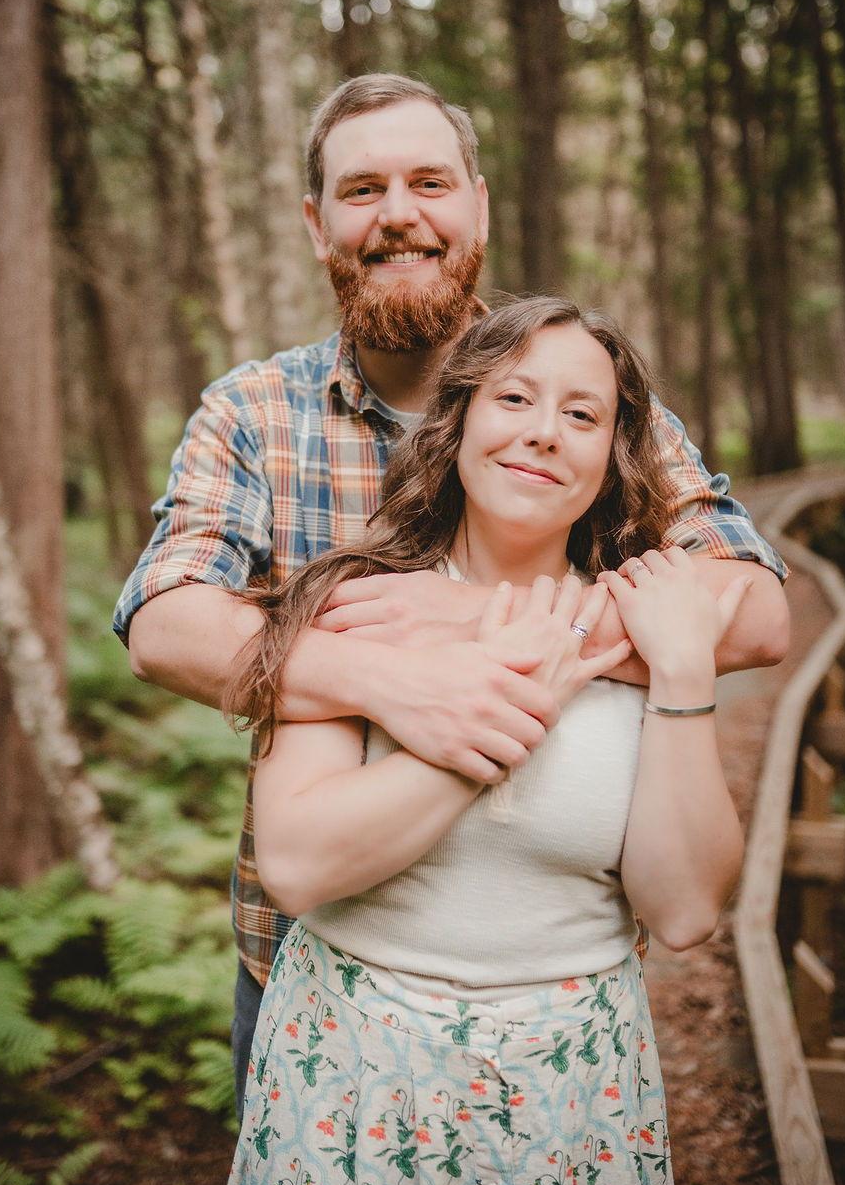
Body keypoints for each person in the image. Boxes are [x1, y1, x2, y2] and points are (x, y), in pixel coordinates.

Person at [111, 73, 788, 1112]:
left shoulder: (579, 392)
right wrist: (383, 674)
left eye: (427, 181)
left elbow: (749, 602)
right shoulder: (255, 408)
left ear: (475, 203)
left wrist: (477, 618)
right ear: (315, 221)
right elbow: (166, 622)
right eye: (361, 188)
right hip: (308, 958)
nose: (397, 214)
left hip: (549, 972)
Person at [206, 296, 737, 1185]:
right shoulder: (352, 599)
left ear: (612, 455)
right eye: (514, 397)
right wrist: (508, 704)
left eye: (582, 414)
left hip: (572, 1084)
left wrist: (678, 675)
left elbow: (683, 909)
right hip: (355, 1082)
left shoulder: (642, 621)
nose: (543, 428)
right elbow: (302, 862)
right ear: (457, 423)